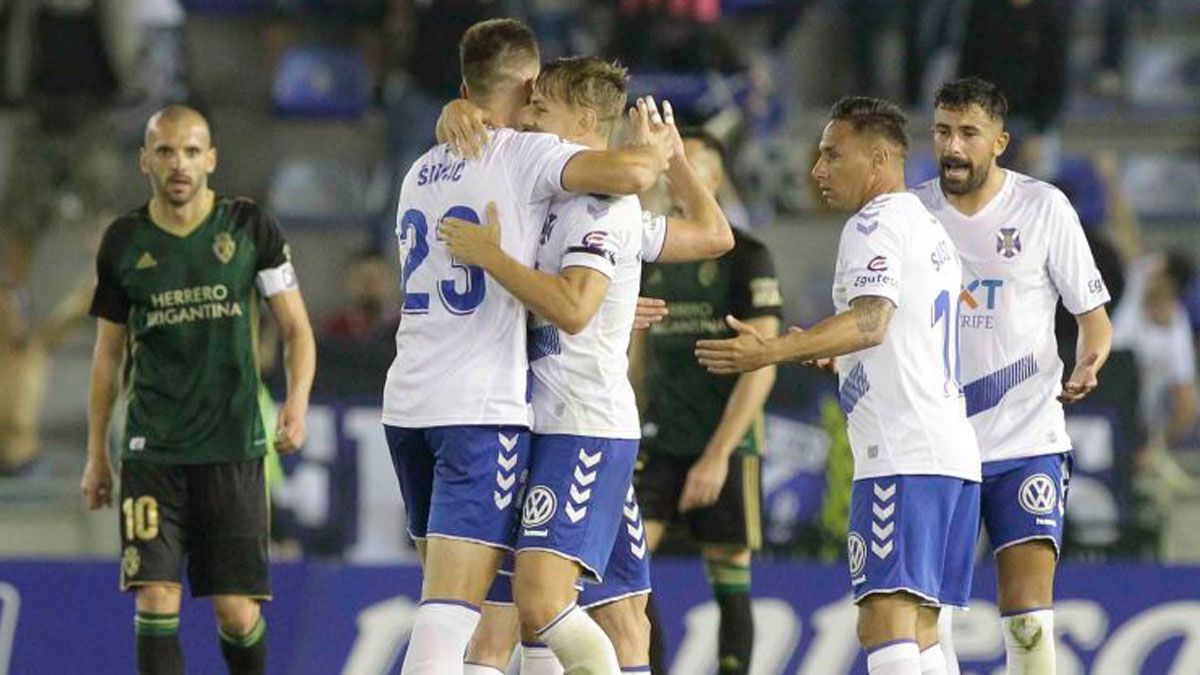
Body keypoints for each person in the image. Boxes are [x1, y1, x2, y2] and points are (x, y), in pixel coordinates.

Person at [381, 18, 677, 675]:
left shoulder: (421, 168)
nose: (538, 106)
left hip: (408, 404)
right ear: (524, 86)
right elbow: (629, 171)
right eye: (535, 94)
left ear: (465, 88)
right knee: (461, 617)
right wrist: (658, 147)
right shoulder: (521, 153)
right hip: (480, 410)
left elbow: (688, 237)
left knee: (495, 609)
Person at [435, 65, 735, 675]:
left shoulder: (603, 206)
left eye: (541, 109)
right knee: (622, 617)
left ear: (584, 122)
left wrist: (673, 161)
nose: (527, 118)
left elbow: (575, 307)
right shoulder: (549, 194)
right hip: (545, 426)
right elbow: (709, 233)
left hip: (580, 429)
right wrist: (456, 111)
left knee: (539, 603)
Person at [696, 96, 982, 675]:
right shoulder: (928, 228)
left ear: (879, 159)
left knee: (886, 624)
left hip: (901, 453)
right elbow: (897, 332)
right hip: (952, 456)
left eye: (833, 154)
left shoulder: (872, 223)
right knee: (925, 631)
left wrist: (770, 350)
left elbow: (872, 321)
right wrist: (835, 355)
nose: (817, 170)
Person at [79, 105, 317, 675]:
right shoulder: (123, 242)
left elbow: (296, 329)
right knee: (156, 595)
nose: (178, 164)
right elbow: (107, 356)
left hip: (232, 447)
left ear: (211, 158)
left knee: (235, 612)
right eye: (165, 151)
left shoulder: (248, 228)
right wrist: (96, 455)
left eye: (190, 151)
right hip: (152, 453)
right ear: (145, 161)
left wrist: (297, 401)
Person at [911, 77, 1114, 675]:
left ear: (999, 141)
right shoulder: (912, 213)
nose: (953, 146)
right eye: (944, 131)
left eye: (968, 133)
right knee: (930, 617)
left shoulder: (1043, 207)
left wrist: (1088, 360)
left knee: (1028, 622)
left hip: (1026, 440)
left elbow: (1093, 320)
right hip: (938, 444)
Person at [632, 129, 782, 675]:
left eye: (686, 163)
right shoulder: (650, 252)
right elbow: (637, 358)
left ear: (713, 179)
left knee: (729, 573)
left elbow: (760, 362)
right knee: (627, 566)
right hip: (661, 438)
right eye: (670, 163)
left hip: (727, 443)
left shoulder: (747, 255)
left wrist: (718, 454)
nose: (674, 173)